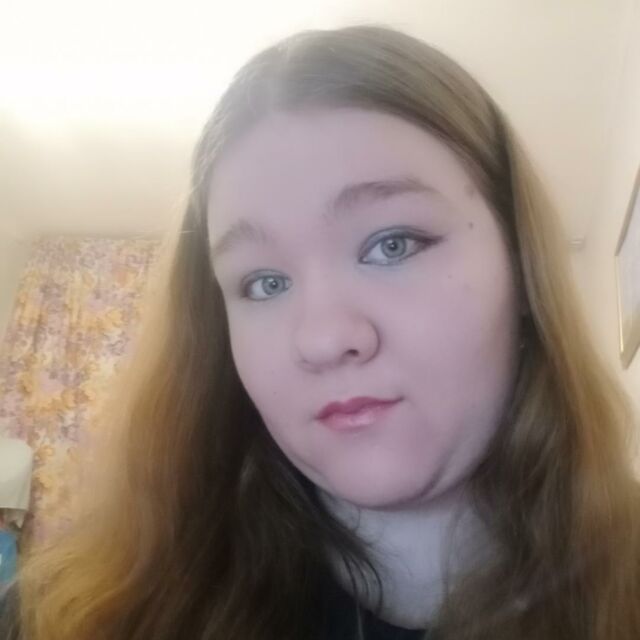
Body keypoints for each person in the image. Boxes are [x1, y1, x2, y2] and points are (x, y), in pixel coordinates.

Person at [3, 23, 640, 640]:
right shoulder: (63, 616)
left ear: (522, 269)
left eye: (392, 244)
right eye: (264, 283)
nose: (322, 339)